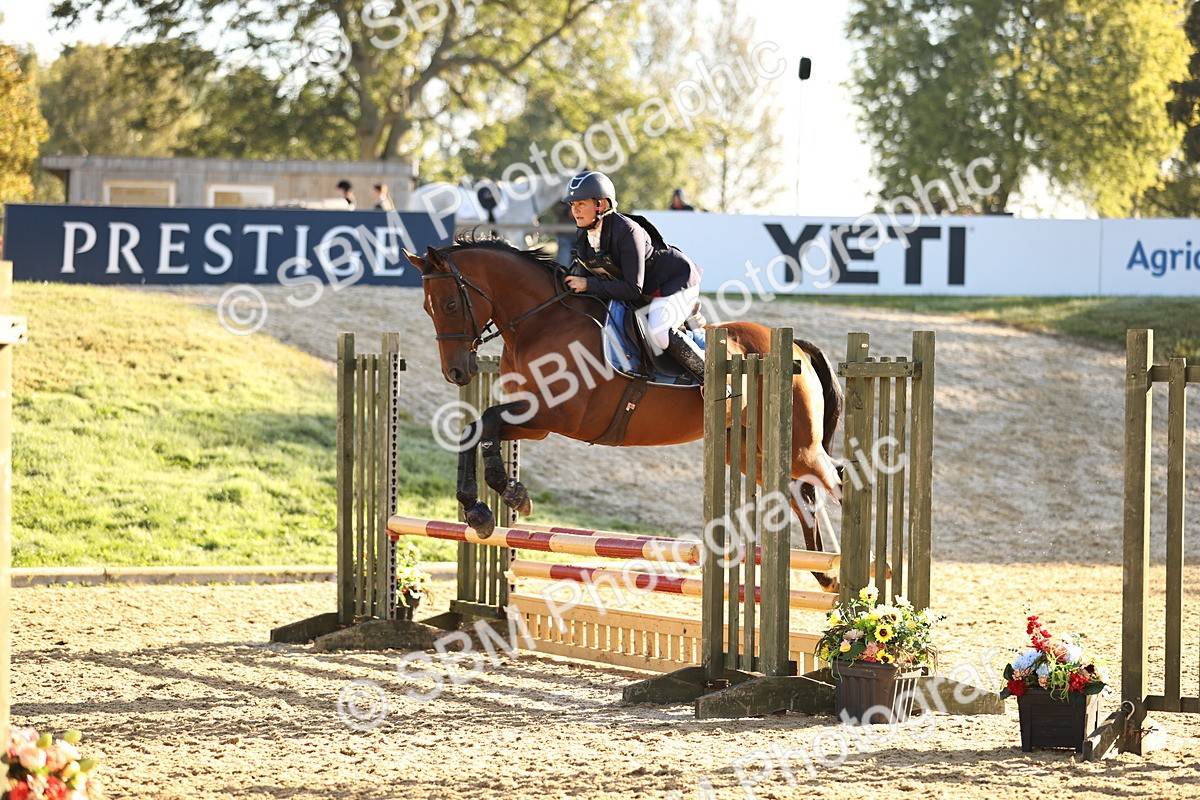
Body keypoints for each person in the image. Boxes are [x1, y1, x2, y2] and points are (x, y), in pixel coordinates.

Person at [562, 170, 706, 384]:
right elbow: (580, 275)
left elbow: (632, 289)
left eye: (581, 204)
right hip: (646, 291)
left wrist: (588, 284)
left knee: (659, 331)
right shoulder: (584, 234)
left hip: (676, 283)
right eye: (573, 204)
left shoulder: (627, 231)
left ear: (601, 205)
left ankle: (709, 376)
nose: (575, 210)